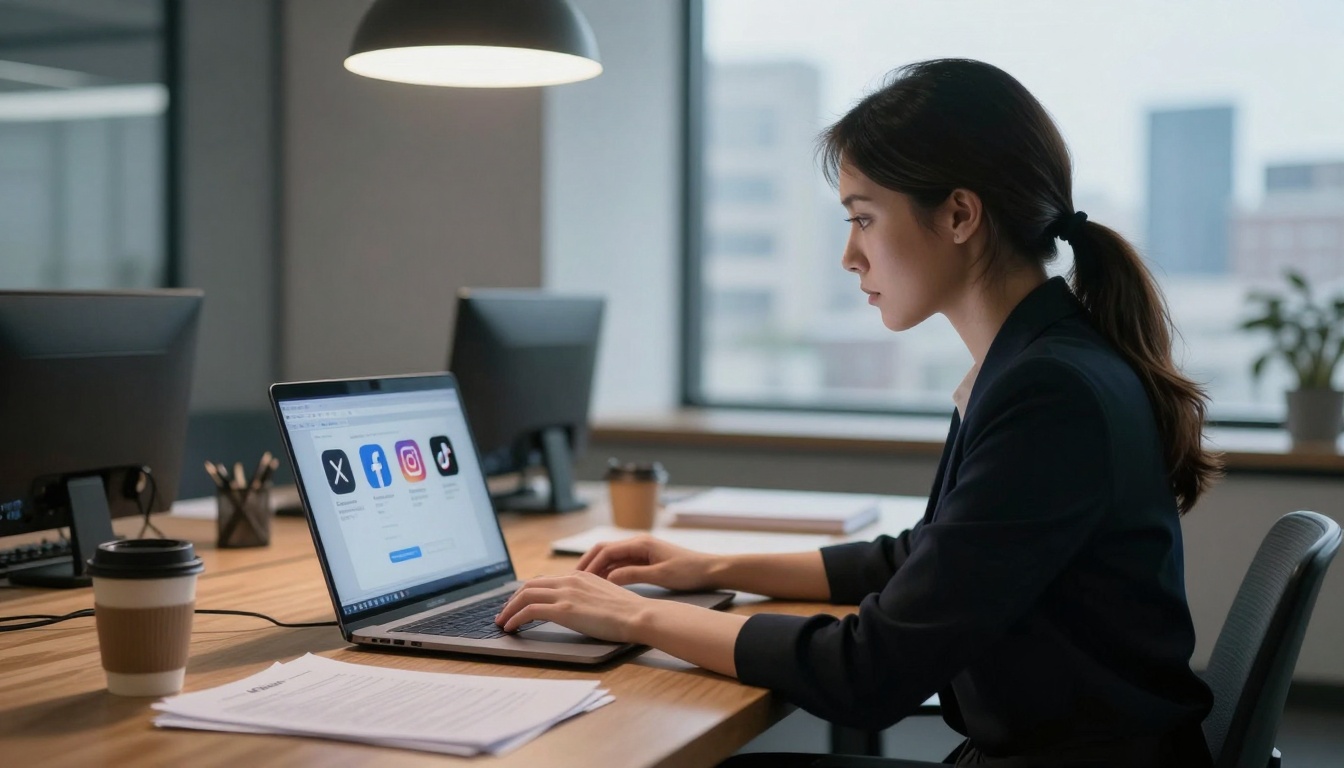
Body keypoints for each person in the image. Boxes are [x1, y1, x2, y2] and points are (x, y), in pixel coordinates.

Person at [495, 58, 1220, 767]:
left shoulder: (1048, 392)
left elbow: (870, 671)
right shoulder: (1038, 361)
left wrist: (636, 616)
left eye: (864, 219)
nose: (849, 255)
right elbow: (921, 558)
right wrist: (709, 566)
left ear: (960, 215)